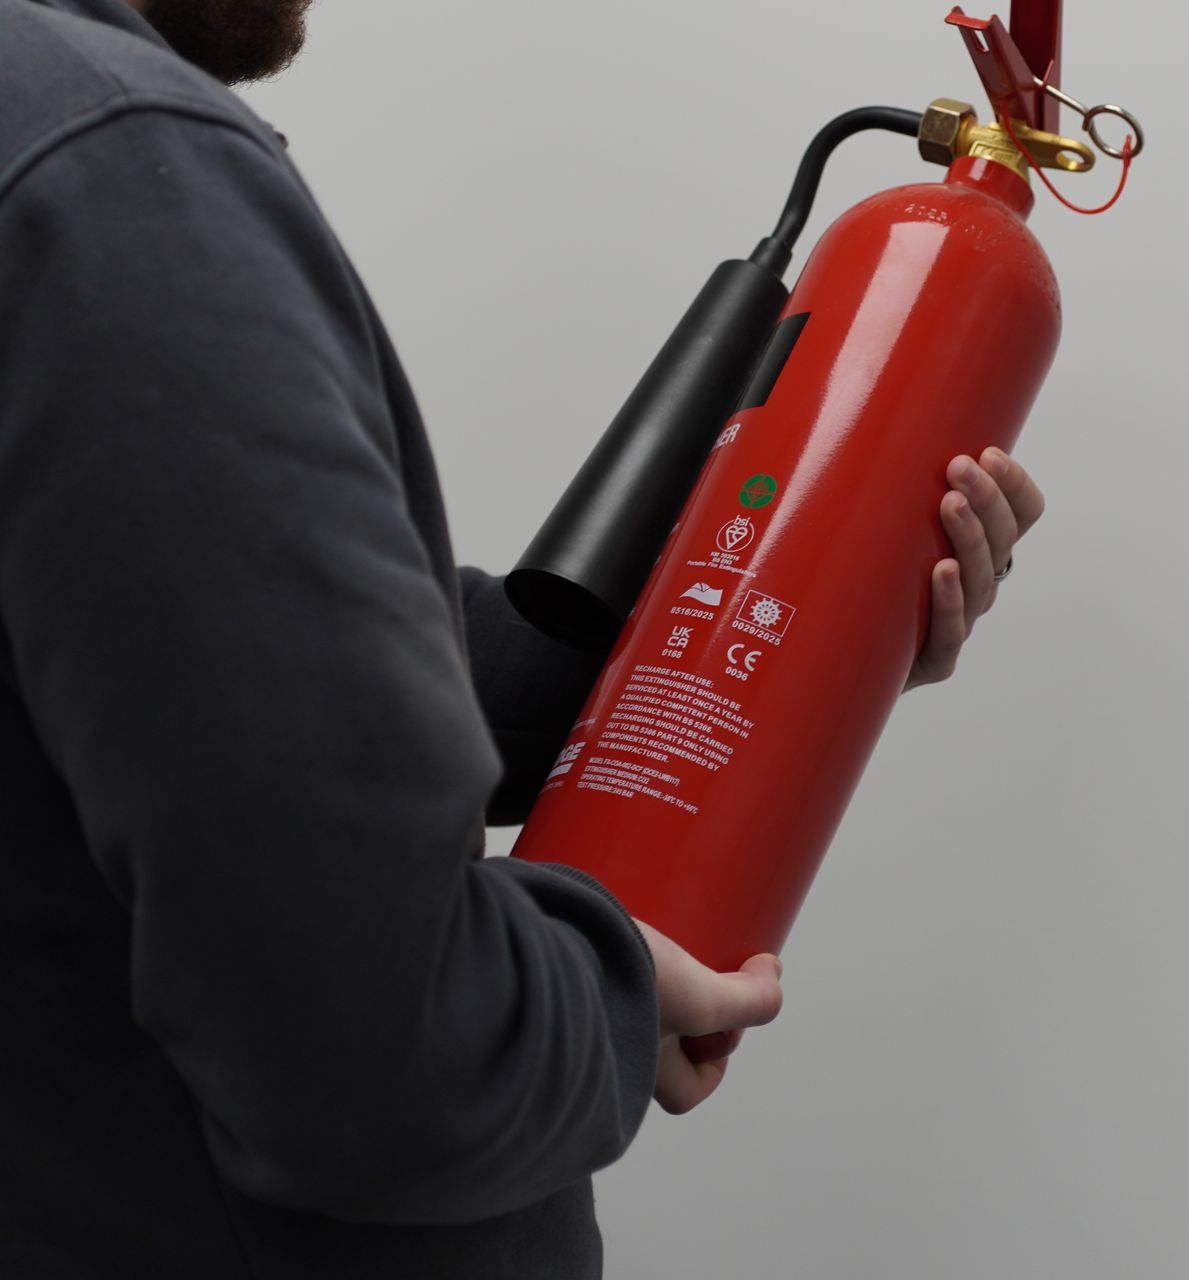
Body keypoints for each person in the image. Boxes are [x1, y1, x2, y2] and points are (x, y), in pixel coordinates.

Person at [0, 2, 1046, 1276]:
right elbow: (381, 1056)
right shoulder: (108, 162)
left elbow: (172, 662)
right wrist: (611, 992)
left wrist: (775, 633)